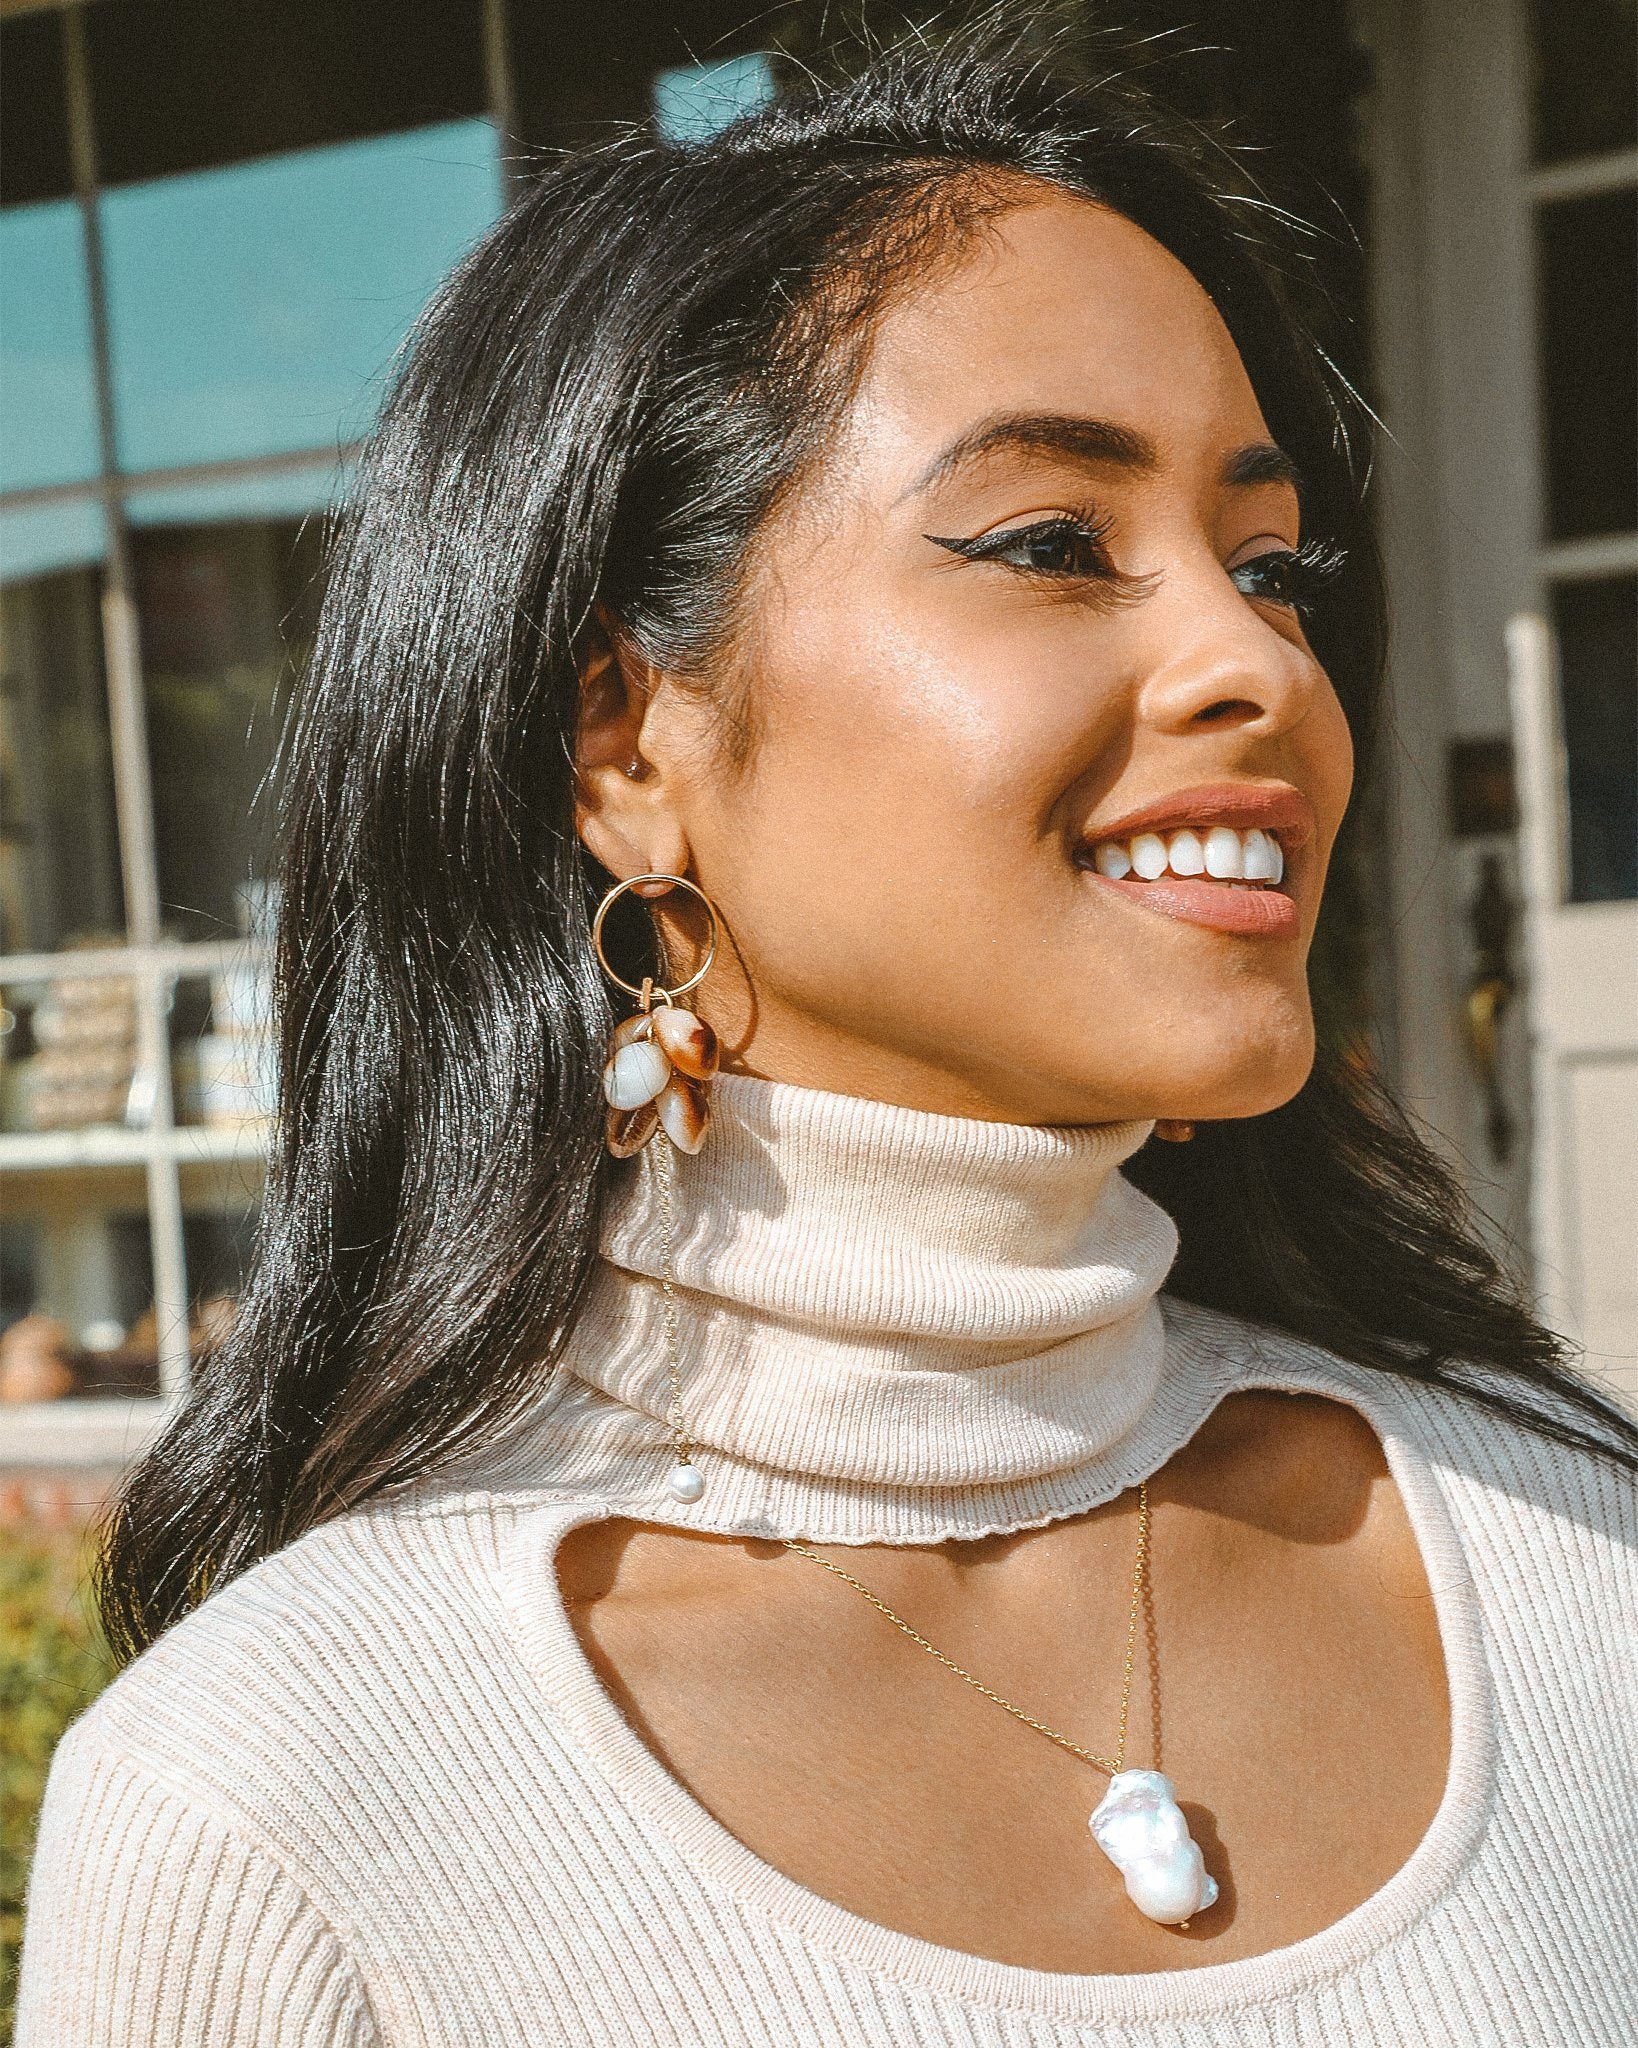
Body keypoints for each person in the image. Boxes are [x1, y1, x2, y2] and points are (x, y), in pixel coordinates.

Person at [17, 21, 1635, 2046]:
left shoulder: (1571, 1557)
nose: (1257, 665)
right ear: (625, 740)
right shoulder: (285, 1795)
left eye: (1273, 560)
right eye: (1054, 543)